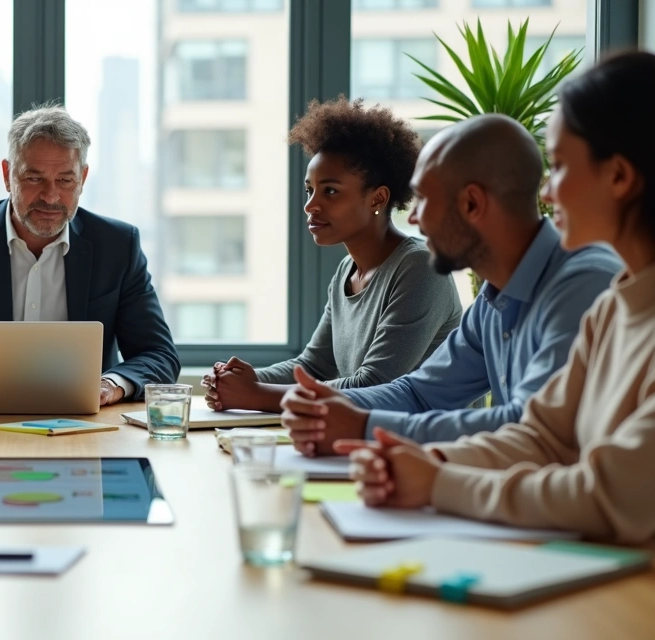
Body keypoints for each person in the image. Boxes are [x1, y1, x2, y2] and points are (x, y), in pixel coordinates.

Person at [338, 51, 655, 542]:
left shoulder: (594, 290)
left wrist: (439, 482)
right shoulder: (616, 308)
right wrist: (421, 461)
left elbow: (611, 495)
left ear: (618, 176)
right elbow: (541, 435)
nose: (546, 193)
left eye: (562, 167)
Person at [279, 113, 622, 456]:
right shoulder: (491, 303)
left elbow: (527, 424)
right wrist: (325, 405)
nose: (413, 218)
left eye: (424, 200)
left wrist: (362, 425)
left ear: (472, 203)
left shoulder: (584, 285)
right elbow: (420, 393)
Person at [0, 105, 180, 405]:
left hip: (87, 426)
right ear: (7, 175)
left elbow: (159, 355)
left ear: (82, 178)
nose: (51, 196)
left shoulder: (118, 246)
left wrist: (110, 385)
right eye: (34, 178)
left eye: (65, 180)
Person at [204, 98, 461, 413]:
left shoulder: (420, 267)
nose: (311, 205)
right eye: (309, 190)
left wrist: (255, 394)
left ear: (377, 198)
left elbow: (373, 384)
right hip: (371, 444)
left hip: (429, 449)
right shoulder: (346, 271)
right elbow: (314, 365)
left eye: (330, 191)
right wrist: (238, 380)